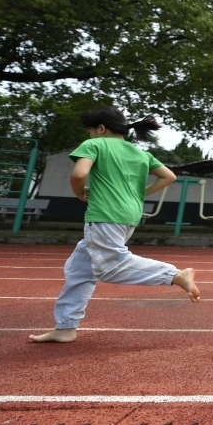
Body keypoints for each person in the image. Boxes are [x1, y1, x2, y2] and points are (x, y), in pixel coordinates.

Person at [29, 106, 199, 344]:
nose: (89, 135)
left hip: (105, 214)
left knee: (109, 266)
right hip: (128, 214)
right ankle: (65, 327)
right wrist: (142, 193)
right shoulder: (140, 154)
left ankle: (174, 275)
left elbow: (79, 175)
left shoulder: (94, 145)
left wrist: (79, 194)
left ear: (100, 128)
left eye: (90, 130)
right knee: (79, 270)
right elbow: (169, 176)